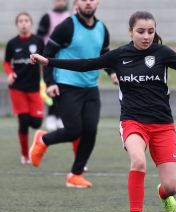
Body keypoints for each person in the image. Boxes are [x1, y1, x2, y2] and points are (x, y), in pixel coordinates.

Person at [31, 10, 176, 212]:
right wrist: (49, 61)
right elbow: (87, 64)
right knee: (138, 160)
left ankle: (163, 194)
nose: (146, 36)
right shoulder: (119, 55)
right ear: (130, 31)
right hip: (133, 121)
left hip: (163, 125)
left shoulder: (162, 53)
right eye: (141, 31)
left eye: (151, 31)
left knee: (172, 186)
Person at [29, 0, 118, 188]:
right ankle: (43, 139)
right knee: (73, 131)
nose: (88, 3)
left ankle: (75, 175)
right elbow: (47, 54)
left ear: (97, 3)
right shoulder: (66, 27)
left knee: (90, 131)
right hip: (65, 86)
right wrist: (50, 82)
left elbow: (104, 54)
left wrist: (111, 72)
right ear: (77, 3)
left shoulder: (102, 29)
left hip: (91, 88)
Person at [3, 12, 44, 165]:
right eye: (20, 21)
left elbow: (45, 60)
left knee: (36, 123)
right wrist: (10, 73)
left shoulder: (38, 41)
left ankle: (36, 140)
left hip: (34, 88)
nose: (23, 23)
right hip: (17, 88)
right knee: (23, 120)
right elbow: (6, 62)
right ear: (17, 24)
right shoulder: (12, 43)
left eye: (26, 20)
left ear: (31, 23)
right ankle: (24, 155)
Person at [37, 0, 70, 131]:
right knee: (50, 86)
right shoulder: (47, 17)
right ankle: (51, 115)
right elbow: (39, 38)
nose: (60, 2)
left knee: (63, 87)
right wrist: (40, 57)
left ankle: (60, 116)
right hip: (49, 58)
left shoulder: (70, 17)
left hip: (65, 59)